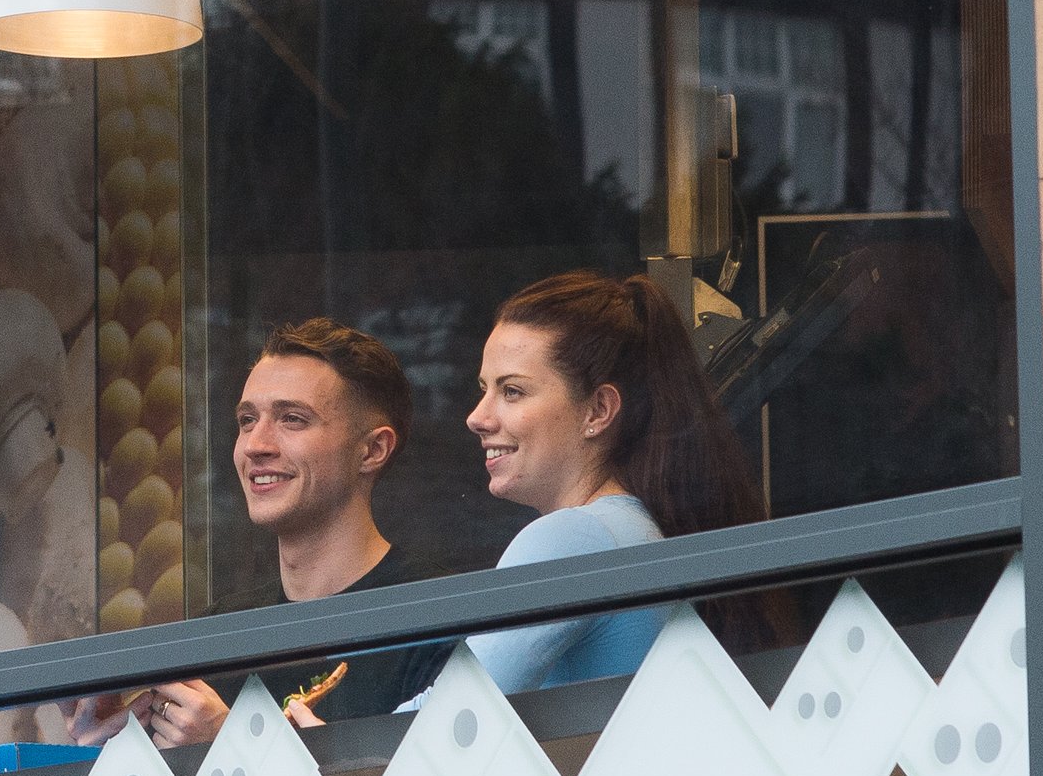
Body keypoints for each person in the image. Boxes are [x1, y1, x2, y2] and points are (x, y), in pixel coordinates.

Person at [70, 319, 438, 745]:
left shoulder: (439, 617)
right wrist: (113, 744)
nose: (255, 445)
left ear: (372, 450)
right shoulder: (216, 639)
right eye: (247, 420)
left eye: (293, 419)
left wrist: (232, 744)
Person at [444, 268, 762, 693]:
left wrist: (326, 736)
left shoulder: (573, 537)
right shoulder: (627, 528)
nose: (477, 417)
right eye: (484, 389)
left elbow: (454, 719)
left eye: (512, 391)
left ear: (597, 411)